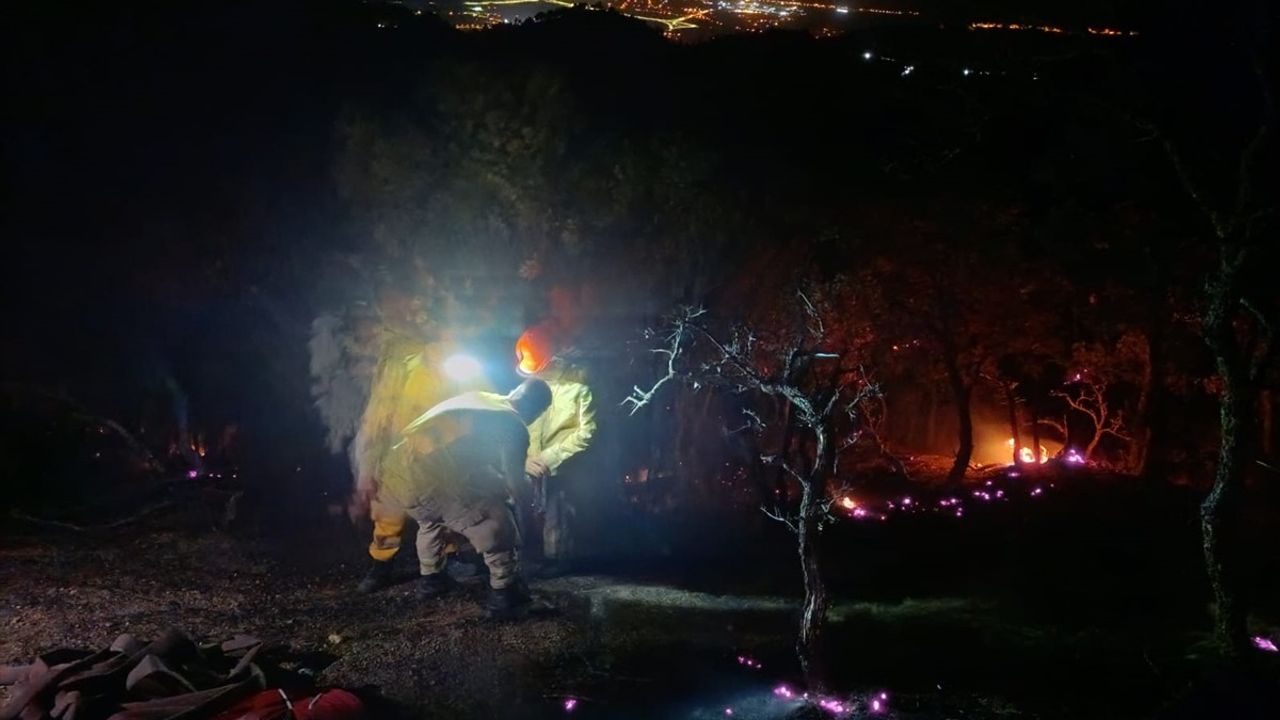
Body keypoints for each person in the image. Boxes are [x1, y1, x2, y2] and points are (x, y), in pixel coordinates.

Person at [373, 380, 553, 617]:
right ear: (537, 410)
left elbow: (468, 455)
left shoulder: (479, 399)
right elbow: (514, 480)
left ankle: (431, 579)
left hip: (396, 475)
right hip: (434, 478)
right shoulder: (512, 422)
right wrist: (525, 510)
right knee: (495, 520)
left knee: (431, 521)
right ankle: (504, 594)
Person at [516, 322, 597, 576]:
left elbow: (587, 433)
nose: (536, 374)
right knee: (519, 509)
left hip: (562, 466)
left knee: (557, 513)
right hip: (529, 462)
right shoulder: (532, 384)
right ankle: (515, 556)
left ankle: (557, 558)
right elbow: (517, 420)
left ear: (555, 359)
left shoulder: (581, 387)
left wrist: (549, 457)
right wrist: (524, 457)